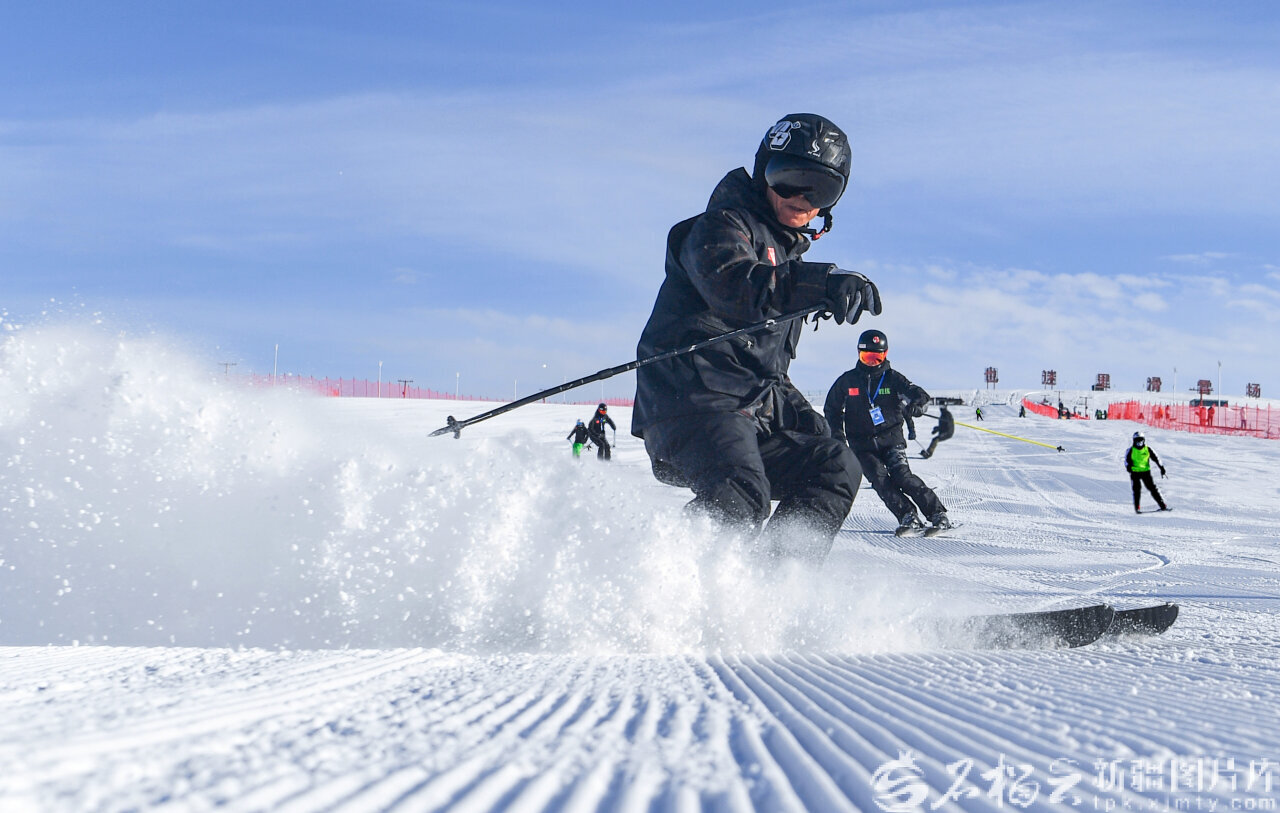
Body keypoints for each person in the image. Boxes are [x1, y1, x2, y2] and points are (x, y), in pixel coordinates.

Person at [632, 113, 880, 561]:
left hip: (742, 414)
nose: (802, 199)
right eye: (789, 180)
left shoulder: (786, 261)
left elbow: (767, 371)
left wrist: (807, 422)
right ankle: (659, 580)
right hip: (690, 402)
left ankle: (774, 582)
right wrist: (820, 282)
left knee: (835, 465)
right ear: (764, 173)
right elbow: (739, 287)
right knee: (740, 494)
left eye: (820, 190)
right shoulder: (721, 227)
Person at [825, 329, 950, 536]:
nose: (871, 362)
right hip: (861, 445)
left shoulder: (893, 378)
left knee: (903, 477)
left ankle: (938, 514)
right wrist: (838, 436)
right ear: (859, 354)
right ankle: (908, 516)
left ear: (885, 354)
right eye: (867, 357)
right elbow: (832, 409)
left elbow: (919, 394)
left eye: (877, 358)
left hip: (891, 440)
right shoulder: (847, 381)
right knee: (880, 481)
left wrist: (917, 405)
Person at [1124, 431, 1169, 513]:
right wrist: (1128, 467)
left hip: (1145, 472)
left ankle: (1163, 506)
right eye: (1137, 440)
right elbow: (1126, 461)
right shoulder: (1130, 450)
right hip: (1135, 473)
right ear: (1134, 440)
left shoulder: (1147, 449)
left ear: (1144, 440)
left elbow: (1156, 458)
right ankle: (1137, 508)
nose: (1139, 442)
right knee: (1136, 490)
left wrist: (1161, 468)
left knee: (1153, 489)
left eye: (1141, 440)